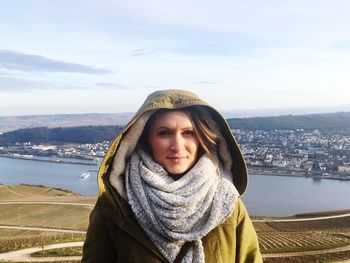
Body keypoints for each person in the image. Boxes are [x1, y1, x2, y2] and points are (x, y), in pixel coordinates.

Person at [82, 89, 263, 263]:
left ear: (202, 139)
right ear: (145, 139)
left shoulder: (226, 203)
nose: (177, 145)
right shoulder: (115, 207)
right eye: (164, 133)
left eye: (188, 133)